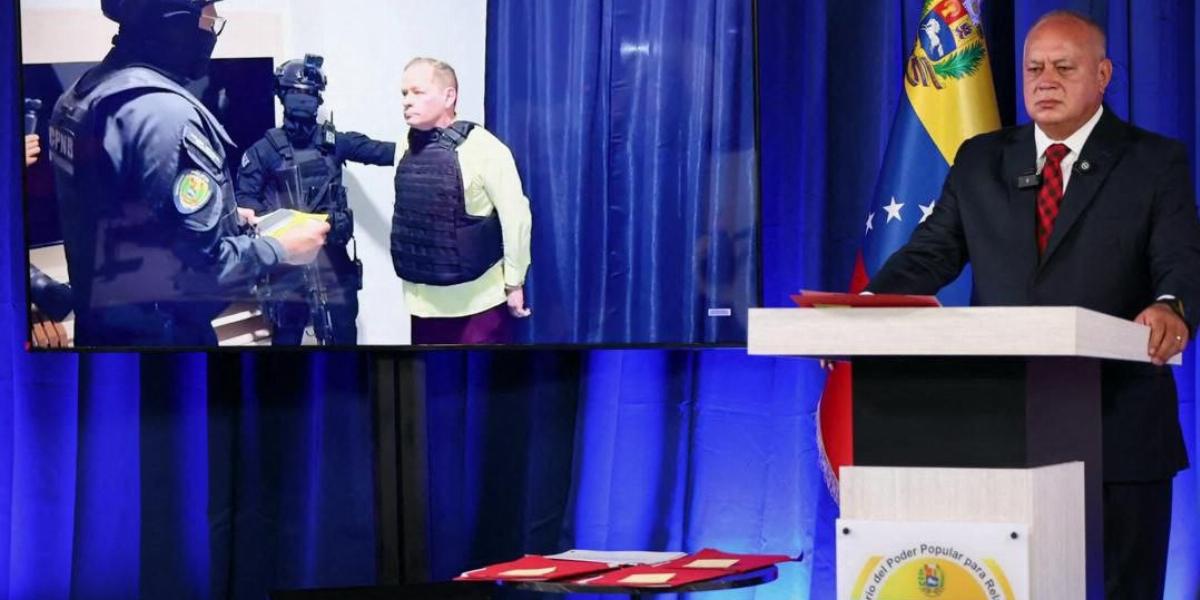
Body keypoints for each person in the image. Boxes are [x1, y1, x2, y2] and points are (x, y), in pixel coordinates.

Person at [866, 11, 1200, 597]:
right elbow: (932, 253)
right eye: (1034, 68)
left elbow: (1181, 257)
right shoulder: (980, 159)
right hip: (1002, 426)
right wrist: (869, 306)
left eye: (1063, 68)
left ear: (1103, 75)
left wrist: (1172, 305)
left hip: (1121, 431)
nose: (1045, 81)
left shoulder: (1154, 161)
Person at [47, 0, 328, 347]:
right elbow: (200, 274)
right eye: (208, 20)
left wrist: (225, 216)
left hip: (102, 330)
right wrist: (280, 248)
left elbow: (125, 211)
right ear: (175, 22)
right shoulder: (166, 116)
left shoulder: (81, 97)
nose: (213, 32)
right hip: (162, 339)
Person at [237, 55, 396, 346]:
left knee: (344, 333)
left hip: (332, 255)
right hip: (287, 261)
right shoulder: (263, 151)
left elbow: (382, 152)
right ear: (282, 95)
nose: (302, 99)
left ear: (318, 98)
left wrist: (427, 146)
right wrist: (273, 226)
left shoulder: (334, 142)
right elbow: (246, 202)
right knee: (287, 336)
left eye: (308, 93)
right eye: (295, 92)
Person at [391, 57, 532, 344]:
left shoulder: (485, 148)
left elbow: (516, 218)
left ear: (449, 96)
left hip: (478, 303)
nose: (407, 101)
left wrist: (514, 283)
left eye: (418, 92)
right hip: (422, 304)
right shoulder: (406, 144)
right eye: (404, 93)